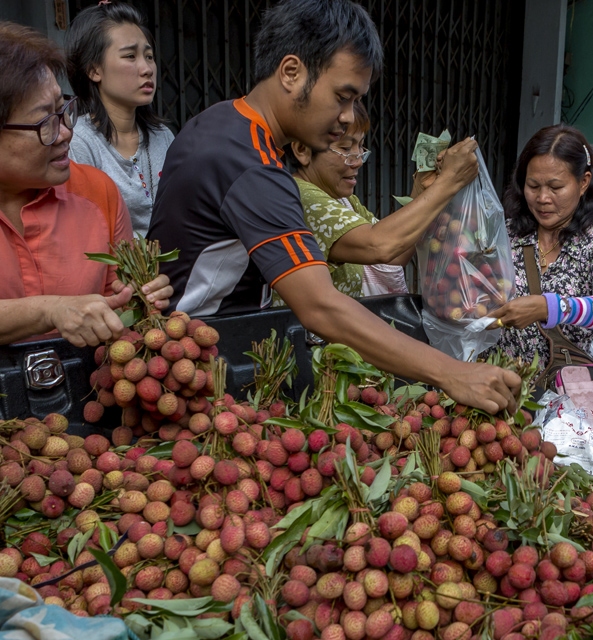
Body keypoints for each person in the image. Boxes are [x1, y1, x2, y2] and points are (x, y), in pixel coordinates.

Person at [147, 0, 519, 414]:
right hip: (193, 368)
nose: (346, 117)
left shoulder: (221, 125)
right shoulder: (247, 163)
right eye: (342, 97)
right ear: (292, 73)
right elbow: (320, 306)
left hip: (207, 355)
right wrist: (453, 373)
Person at [0, 22, 171, 347]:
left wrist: (140, 298)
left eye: (63, 110)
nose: (65, 132)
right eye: (44, 122)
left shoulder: (98, 191)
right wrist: (51, 311)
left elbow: (116, 301)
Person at [283, 100, 478, 297]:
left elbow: (394, 255)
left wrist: (422, 190)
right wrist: (450, 181)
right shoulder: (300, 197)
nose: (358, 160)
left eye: (360, 147)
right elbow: (379, 246)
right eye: (345, 148)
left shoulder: (343, 201)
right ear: (302, 149)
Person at [486, 125, 593, 373]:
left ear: (583, 183)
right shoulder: (504, 234)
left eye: (555, 188)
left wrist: (549, 307)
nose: (543, 198)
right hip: (495, 386)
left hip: (560, 395)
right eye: (533, 186)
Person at [65, 2, 174, 237]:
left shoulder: (162, 136)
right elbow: (86, 236)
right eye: (130, 56)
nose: (147, 69)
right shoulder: (79, 144)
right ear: (94, 70)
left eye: (149, 56)